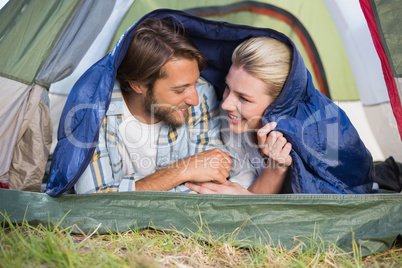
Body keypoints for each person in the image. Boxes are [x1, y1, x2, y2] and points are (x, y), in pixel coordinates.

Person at [185, 37, 374, 194]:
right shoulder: (232, 121)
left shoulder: (315, 133)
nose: (226, 104)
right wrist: (273, 172)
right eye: (227, 87)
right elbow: (247, 189)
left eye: (244, 98)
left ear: (279, 103)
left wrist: (248, 195)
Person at [72, 17, 233, 193]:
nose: (194, 100)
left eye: (195, 81)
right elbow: (94, 199)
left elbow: (212, 182)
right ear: (138, 85)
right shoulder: (95, 110)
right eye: (179, 90)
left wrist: (129, 190)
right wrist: (182, 170)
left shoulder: (202, 93)